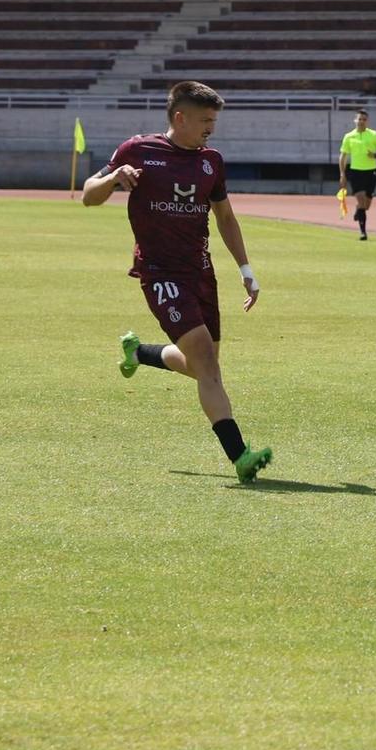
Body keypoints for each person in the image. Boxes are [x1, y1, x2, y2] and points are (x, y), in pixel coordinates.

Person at [85, 80, 272, 483]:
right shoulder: (137, 151)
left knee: (202, 366)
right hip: (160, 273)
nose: (211, 128)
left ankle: (140, 353)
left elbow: (225, 216)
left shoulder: (211, 161)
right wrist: (114, 177)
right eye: (205, 120)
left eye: (214, 120)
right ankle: (241, 457)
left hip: (201, 273)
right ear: (180, 117)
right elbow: (87, 195)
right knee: (207, 365)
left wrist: (246, 271)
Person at [337, 108, 376, 241]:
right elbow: (343, 156)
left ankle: (358, 210)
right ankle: (363, 232)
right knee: (361, 200)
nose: (361, 122)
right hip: (355, 172)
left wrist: (375, 155)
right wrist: (342, 174)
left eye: (364, 120)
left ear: (367, 122)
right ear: (355, 120)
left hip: (371, 172)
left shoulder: (373, 135)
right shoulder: (349, 137)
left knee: (366, 205)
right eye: (359, 119)